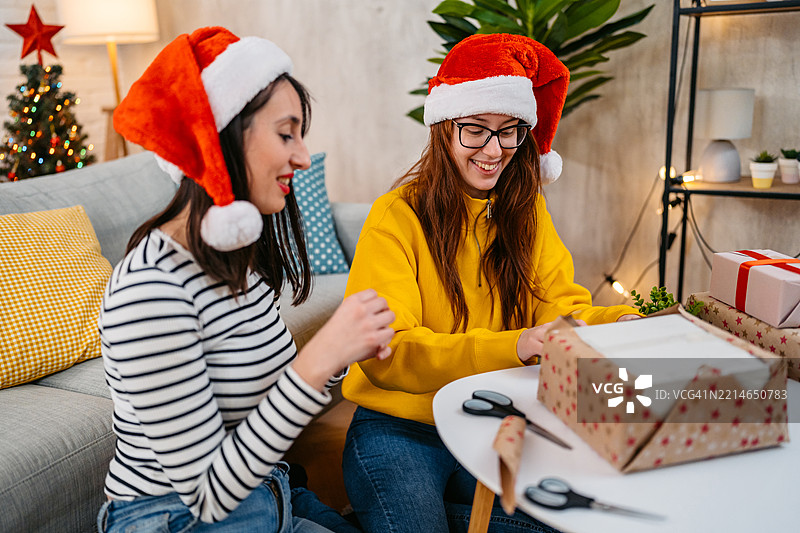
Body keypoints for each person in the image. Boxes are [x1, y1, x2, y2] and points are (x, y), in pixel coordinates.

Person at [340, 34, 641, 533]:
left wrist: (623, 323)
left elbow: (560, 309)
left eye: (510, 132)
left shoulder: (526, 211)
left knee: (559, 524)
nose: (494, 149)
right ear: (442, 129)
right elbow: (388, 353)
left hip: (488, 420)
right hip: (399, 429)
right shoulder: (396, 215)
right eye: (475, 130)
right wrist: (515, 346)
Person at [97, 27, 394, 533]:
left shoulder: (238, 261)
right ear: (226, 137)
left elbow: (268, 389)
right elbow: (207, 496)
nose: (303, 157)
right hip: (175, 517)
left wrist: (343, 353)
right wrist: (320, 356)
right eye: (286, 134)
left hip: (265, 489)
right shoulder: (149, 289)